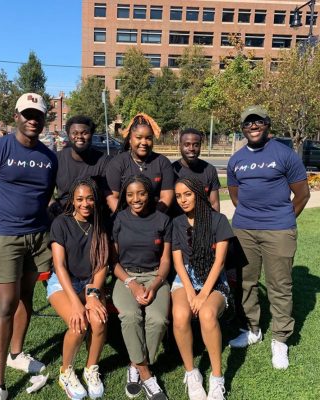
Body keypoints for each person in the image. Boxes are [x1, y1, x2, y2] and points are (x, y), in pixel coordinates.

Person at [0, 93, 58, 400]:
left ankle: (16, 354)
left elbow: (45, 198)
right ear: (16, 116)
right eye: (28, 114)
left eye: (39, 115)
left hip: (37, 238)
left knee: (26, 299)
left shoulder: (49, 157)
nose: (33, 120)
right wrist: (0, 222)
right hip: (6, 238)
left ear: (46, 119)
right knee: (6, 304)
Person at [227, 106, 310, 369]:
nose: (253, 126)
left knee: (279, 286)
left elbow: (302, 194)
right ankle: (252, 329)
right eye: (248, 123)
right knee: (246, 282)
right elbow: (235, 195)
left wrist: (283, 220)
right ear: (242, 128)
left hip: (279, 230)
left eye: (258, 121)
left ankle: (280, 339)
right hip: (245, 230)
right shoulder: (236, 159)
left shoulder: (285, 155)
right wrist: (252, 218)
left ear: (267, 125)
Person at [47, 178, 109, 400]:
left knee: (99, 321)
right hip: (63, 283)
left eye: (90, 198)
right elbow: (59, 266)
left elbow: (102, 264)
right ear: (72, 200)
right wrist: (76, 303)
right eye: (80, 199)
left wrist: (92, 295)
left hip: (90, 283)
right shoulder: (61, 224)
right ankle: (66, 371)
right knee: (78, 324)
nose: (85, 204)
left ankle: (91, 368)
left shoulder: (100, 223)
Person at [171, 178, 233, 400]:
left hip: (213, 279)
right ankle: (192, 373)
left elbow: (220, 262)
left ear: (198, 194)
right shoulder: (177, 223)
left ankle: (217, 379)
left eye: (187, 194)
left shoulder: (219, 220)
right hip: (185, 278)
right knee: (180, 314)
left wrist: (203, 294)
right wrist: (189, 292)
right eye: (178, 196)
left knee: (207, 314)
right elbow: (178, 262)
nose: (183, 200)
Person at [112, 175, 171, 400]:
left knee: (158, 320)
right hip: (126, 276)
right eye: (129, 194)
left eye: (141, 193)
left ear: (150, 194)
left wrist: (155, 285)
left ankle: (134, 364)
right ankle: (146, 374)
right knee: (130, 315)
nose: (135, 199)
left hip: (155, 276)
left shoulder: (162, 219)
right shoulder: (119, 219)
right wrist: (132, 283)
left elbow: (166, 261)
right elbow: (113, 261)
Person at [106, 113, 174, 214]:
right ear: (130, 139)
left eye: (148, 138)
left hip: (155, 218)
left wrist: (153, 219)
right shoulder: (117, 163)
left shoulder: (162, 162)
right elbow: (112, 197)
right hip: (124, 221)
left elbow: (167, 196)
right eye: (139, 137)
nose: (144, 142)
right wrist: (127, 220)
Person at [51, 115, 111, 216]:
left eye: (85, 133)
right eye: (74, 133)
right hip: (63, 216)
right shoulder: (57, 159)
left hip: (93, 217)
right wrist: (55, 211)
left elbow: (109, 195)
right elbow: (46, 192)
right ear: (68, 135)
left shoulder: (104, 161)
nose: (79, 137)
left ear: (91, 134)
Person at [172, 128, 221, 212]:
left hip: (204, 221)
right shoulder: (172, 170)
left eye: (196, 145)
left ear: (200, 146)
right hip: (179, 222)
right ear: (180, 145)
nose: (191, 148)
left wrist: (215, 223)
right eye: (187, 144)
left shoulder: (209, 169)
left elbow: (214, 203)